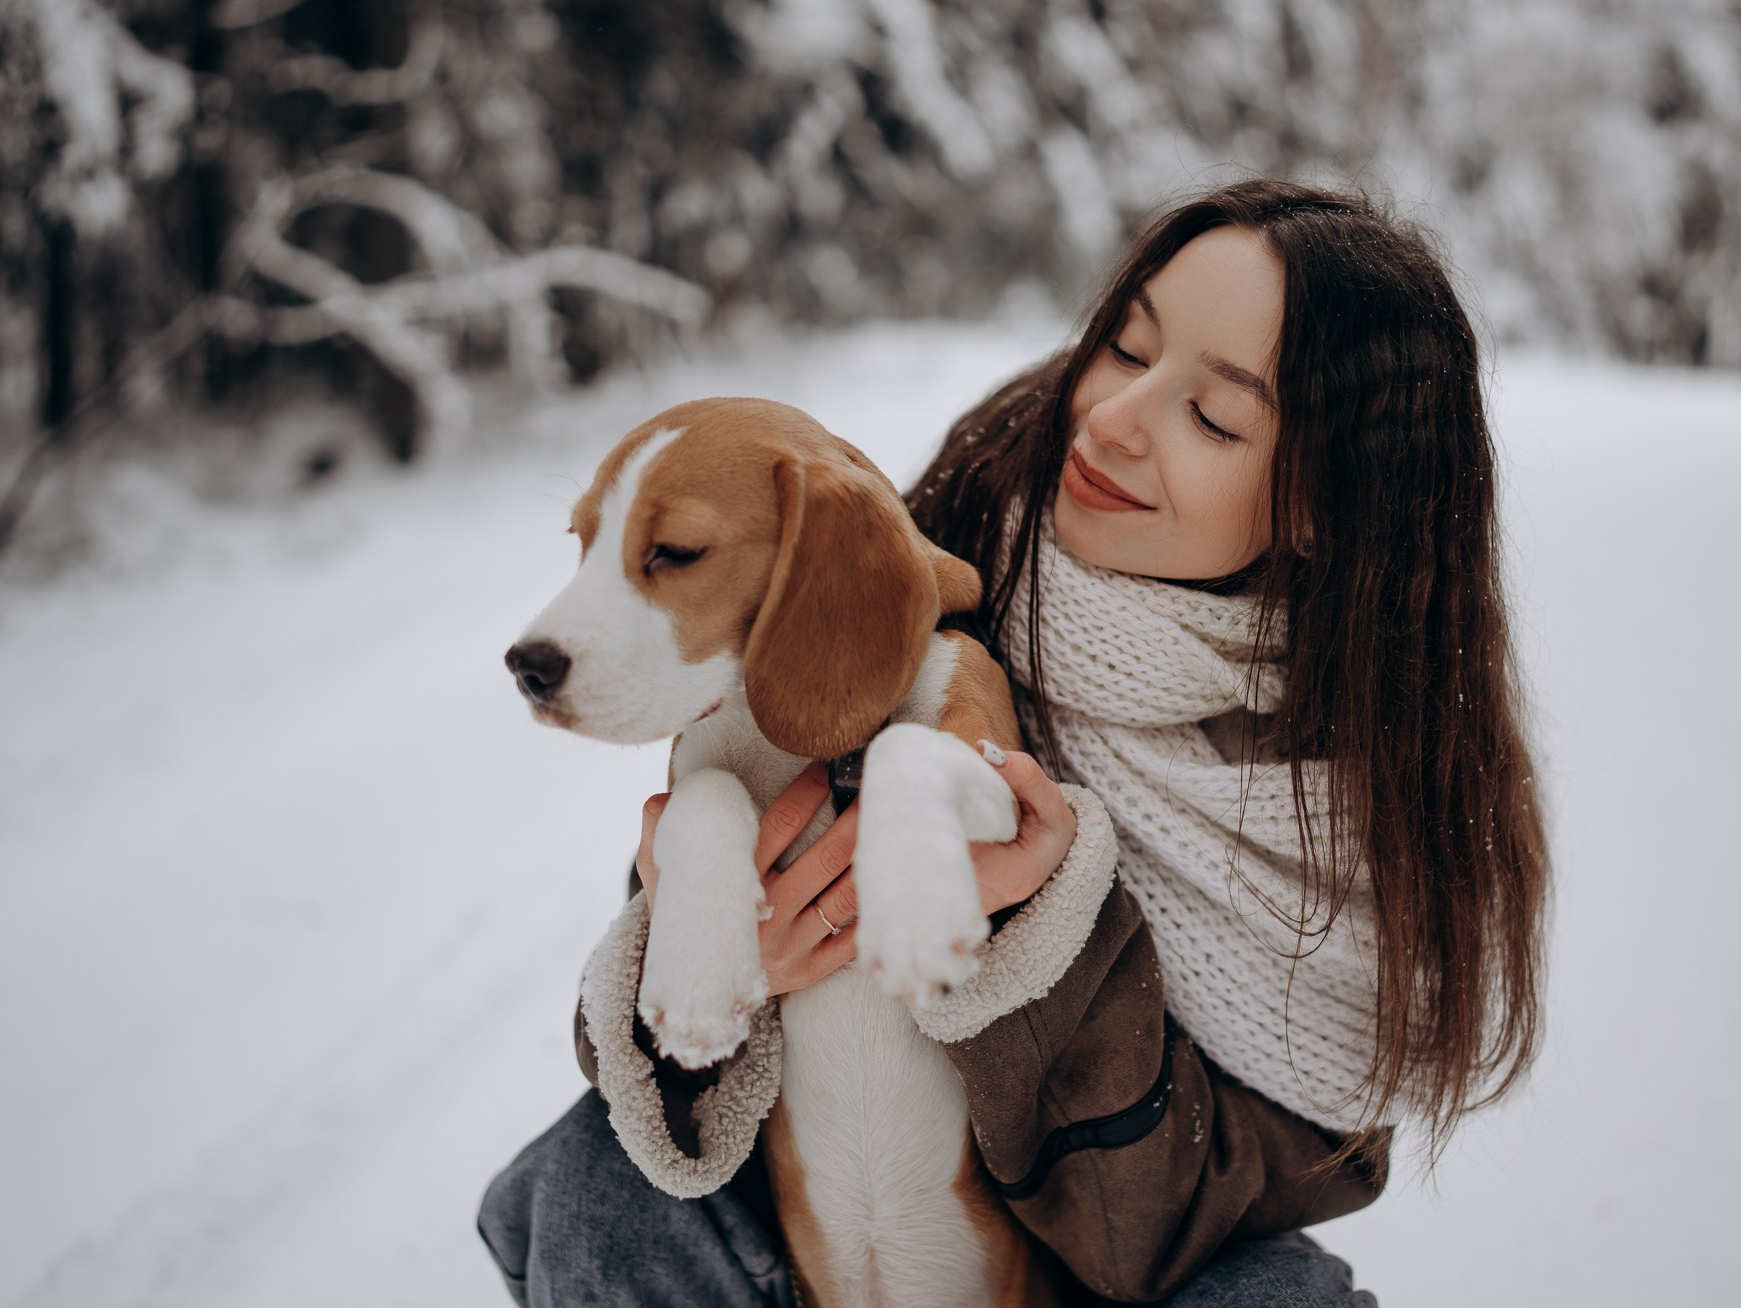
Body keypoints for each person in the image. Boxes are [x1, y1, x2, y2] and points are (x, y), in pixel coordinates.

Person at [478, 178, 1550, 1306]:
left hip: (1082, 1271)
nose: (1113, 420)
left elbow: (1213, 1210)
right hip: (810, 1247)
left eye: (1215, 416)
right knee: (595, 1177)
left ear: (1326, 504)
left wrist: (1041, 950)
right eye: (1127, 349)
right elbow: (732, 822)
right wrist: (706, 951)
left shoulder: (1361, 785)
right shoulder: (919, 551)